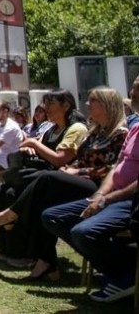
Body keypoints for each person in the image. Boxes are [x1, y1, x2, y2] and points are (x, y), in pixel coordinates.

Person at [0, 87, 127, 280]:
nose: (87, 104)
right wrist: (70, 168)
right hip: (73, 180)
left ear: (107, 105)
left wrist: (75, 170)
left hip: (98, 187)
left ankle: (12, 214)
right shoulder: (95, 132)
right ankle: (46, 262)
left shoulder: (120, 134)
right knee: (40, 201)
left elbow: (112, 170)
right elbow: (77, 159)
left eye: (93, 101)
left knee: (46, 177)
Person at [40, 78, 139, 302]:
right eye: (133, 88)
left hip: (129, 199)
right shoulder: (134, 130)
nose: (132, 93)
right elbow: (117, 169)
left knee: (82, 232)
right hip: (107, 193)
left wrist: (105, 198)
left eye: (136, 89)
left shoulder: (122, 131)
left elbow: (108, 170)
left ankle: (124, 275)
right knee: (51, 216)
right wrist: (100, 195)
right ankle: (120, 271)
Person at [0, 89, 88, 266]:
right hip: (41, 175)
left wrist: (34, 143)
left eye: (51, 104)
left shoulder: (76, 129)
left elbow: (60, 159)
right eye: (45, 103)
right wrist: (30, 148)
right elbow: (34, 148)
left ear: (65, 106)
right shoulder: (51, 129)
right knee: (0, 191)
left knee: (14, 193)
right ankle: (6, 250)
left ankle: (24, 253)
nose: (46, 108)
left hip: (59, 181)